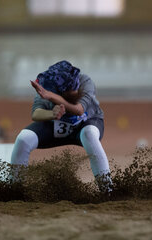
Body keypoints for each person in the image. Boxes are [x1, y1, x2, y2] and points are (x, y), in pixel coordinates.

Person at [11, 60, 111, 191]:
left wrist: (53, 98)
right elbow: (35, 113)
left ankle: (107, 189)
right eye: (71, 90)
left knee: (89, 134)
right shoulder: (47, 86)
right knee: (23, 139)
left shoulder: (85, 82)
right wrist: (51, 114)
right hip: (54, 126)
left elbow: (79, 109)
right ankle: (14, 190)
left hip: (86, 124)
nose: (75, 91)